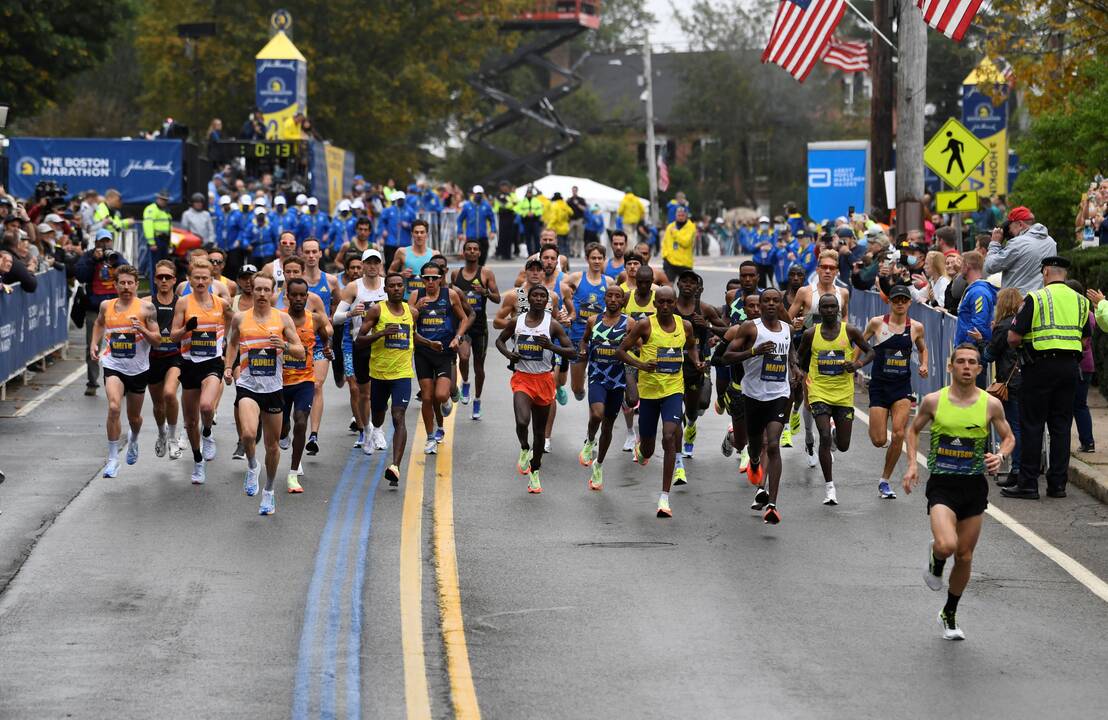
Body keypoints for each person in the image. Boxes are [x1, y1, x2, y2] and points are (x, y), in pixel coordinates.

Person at [903, 343, 1014, 641]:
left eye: (972, 362)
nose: (966, 366)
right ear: (950, 366)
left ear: (979, 369)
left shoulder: (990, 404)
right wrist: (913, 464)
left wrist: (1000, 456)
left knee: (964, 556)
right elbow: (912, 431)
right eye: (961, 362)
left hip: (974, 487)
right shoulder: (933, 401)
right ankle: (936, 558)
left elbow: (1008, 437)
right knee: (947, 544)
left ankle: (949, 612)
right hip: (942, 484)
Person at [1002, 256, 1091, 500]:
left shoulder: (1035, 298)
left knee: (1032, 424)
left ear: (1045, 272)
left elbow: (1013, 337)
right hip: (1070, 369)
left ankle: (1028, 484)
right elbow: (1084, 341)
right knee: (1061, 426)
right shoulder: (1082, 302)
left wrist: (1027, 347)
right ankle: (1057, 485)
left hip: (1039, 367)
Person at [618, 286, 704, 518]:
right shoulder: (645, 325)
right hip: (648, 393)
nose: (665, 306)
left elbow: (692, 345)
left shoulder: (684, 325)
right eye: (661, 302)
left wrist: (696, 361)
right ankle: (642, 448)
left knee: (669, 436)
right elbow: (622, 351)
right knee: (648, 449)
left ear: (674, 303)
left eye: (669, 302)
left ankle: (664, 497)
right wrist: (640, 365)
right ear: (655, 304)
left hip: (674, 390)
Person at [223, 272, 305, 515]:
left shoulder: (283, 320)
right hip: (248, 385)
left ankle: (268, 491)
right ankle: (251, 466)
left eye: (265, 290)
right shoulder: (240, 318)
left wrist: (285, 346)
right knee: (248, 434)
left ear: (272, 293)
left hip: (273, 389)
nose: (261, 293)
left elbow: (301, 351)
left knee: (272, 447)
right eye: (257, 289)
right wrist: (228, 367)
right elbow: (233, 344)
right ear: (252, 289)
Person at [721, 289, 799, 524]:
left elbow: (790, 352)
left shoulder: (787, 329)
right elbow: (726, 357)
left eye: (776, 301)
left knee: (772, 445)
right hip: (753, 395)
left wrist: (794, 367)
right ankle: (754, 462)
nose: (772, 304)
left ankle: (772, 504)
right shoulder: (750, 328)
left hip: (779, 394)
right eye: (767, 301)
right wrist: (753, 351)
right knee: (755, 446)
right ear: (761, 305)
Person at [495, 284, 577, 493]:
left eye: (543, 296)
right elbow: (499, 341)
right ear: (529, 299)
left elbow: (571, 352)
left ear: (547, 301)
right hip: (522, 378)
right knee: (522, 421)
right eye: (536, 296)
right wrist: (508, 355)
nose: (539, 299)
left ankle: (535, 471)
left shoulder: (553, 325)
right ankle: (524, 448)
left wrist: (551, 346)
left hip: (544, 380)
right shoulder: (517, 322)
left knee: (539, 433)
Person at [797, 294, 874, 505]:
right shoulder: (811, 334)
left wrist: (857, 365)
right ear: (819, 311)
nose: (830, 310)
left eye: (833, 307)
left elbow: (871, 352)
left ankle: (834, 434)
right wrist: (797, 372)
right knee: (823, 436)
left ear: (838, 309)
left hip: (843, 394)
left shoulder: (849, 331)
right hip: (819, 390)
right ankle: (829, 487)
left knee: (843, 445)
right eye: (826, 307)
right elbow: (798, 358)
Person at [88, 265, 161, 477]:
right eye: (122, 283)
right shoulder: (106, 306)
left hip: (138, 369)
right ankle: (112, 459)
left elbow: (157, 341)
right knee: (113, 407)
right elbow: (99, 324)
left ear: (137, 285)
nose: (126, 286)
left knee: (134, 418)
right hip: (114, 365)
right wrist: (94, 343)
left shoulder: (147, 309)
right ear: (116, 284)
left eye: (130, 283)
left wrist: (143, 329)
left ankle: (134, 439)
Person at [358, 273, 426, 486]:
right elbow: (359, 340)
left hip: (402, 374)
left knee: (398, 416)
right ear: (386, 289)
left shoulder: (412, 312)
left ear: (403, 289)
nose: (397, 289)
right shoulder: (377, 310)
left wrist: (429, 343)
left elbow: (412, 336)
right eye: (392, 286)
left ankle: (395, 466)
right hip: (379, 374)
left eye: (400, 286)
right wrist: (381, 334)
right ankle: (374, 429)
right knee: (378, 414)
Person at [170, 258, 233, 484]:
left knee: (206, 406)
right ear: (189, 279)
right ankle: (198, 461)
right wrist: (187, 328)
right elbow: (173, 335)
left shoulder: (221, 304)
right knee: (188, 422)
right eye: (196, 277)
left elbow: (237, 326)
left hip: (212, 362)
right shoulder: (183, 303)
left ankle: (207, 432)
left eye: (205, 278)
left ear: (211, 280)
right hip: (189, 363)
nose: (200, 281)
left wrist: (231, 348)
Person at [862, 285, 929, 498]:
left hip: (902, 387)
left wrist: (924, 364)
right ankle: (882, 445)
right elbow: (860, 342)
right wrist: (855, 363)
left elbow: (923, 348)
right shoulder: (876, 323)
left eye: (904, 300)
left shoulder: (916, 327)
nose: (900, 303)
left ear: (909, 303)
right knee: (879, 440)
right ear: (889, 302)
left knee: (899, 432)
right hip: (880, 386)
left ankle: (885, 480)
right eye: (896, 300)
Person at [411, 262, 471, 453]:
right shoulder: (415, 296)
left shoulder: (450, 295)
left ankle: (446, 402)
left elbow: (464, 318)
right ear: (421, 279)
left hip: (444, 352)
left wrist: (458, 337)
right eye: (426, 278)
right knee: (427, 397)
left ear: (440, 279)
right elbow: (407, 325)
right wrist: (416, 311)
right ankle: (430, 438)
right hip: (423, 353)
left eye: (434, 278)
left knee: (441, 394)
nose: (430, 282)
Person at [278, 277, 332, 492]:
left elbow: (324, 336)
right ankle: (284, 433)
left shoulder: (316, 319)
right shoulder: (279, 318)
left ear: (307, 296)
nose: (299, 299)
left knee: (301, 421)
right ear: (288, 297)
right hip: (280, 382)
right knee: (283, 427)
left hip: (304, 380)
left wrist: (326, 348)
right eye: (295, 295)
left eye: (303, 295)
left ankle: (293, 473)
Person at [576, 285, 629, 490]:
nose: (614, 299)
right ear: (604, 298)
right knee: (597, 415)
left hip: (618, 380)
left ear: (623, 301)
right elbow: (584, 341)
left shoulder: (629, 323)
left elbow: (638, 345)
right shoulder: (593, 320)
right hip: (597, 376)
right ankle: (590, 441)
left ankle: (599, 465)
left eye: (618, 296)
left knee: (608, 425)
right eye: (610, 295)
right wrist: (582, 350)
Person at [674, 272, 724, 463]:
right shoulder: (669, 307)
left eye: (692, 282)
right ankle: (678, 452)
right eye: (684, 281)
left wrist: (709, 326)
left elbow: (728, 331)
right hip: (673, 365)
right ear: (678, 283)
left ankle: (692, 424)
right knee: (674, 411)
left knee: (695, 408)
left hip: (698, 365)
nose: (688, 285)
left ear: (698, 288)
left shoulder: (705, 309)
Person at [451, 238, 501, 420]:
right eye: (468, 249)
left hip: (480, 327)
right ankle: (465, 381)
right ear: (464, 252)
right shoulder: (455, 274)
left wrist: (485, 292)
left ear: (479, 253)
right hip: (463, 325)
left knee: (479, 367)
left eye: (475, 249)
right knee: (463, 358)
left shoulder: (486, 273)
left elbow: (497, 299)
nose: (472, 251)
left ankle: (477, 400)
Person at [984, 287, 1026, 488]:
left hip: (1010, 383)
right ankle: (1026, 467)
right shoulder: (1023, 322)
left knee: (1013, 426)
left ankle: (1017, 469)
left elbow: (990, 354)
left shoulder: (1003, 326)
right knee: (1027, 425)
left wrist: (984, 341)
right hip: (1027, 378)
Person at [147, 260, 184, 461]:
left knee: (170, 393)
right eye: (160, 277)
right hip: (152, 358)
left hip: (174, 357)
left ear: (174, 280)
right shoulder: (147, 303)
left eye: (167, 277)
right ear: (155, 279)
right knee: (158, 404)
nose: (163, 280)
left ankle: (172, 438)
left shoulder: (181, 303)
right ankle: (162, 433)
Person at [563, 243, 611, 401]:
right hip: (578, 337)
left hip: (601, 339)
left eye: (600, 258)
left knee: (600, 385)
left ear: (604, 260)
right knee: (576, 389)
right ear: (587, 259)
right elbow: (562, 287)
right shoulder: (577, 278)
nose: (596, 261)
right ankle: (580, 382)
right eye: (593, 258)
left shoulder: (609, 282)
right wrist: (569, 308)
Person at [983, 206, 1056, 294]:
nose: (1010, 233)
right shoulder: (1050, 241)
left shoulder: (1018, 243)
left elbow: (990, 266)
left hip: (1020, 301)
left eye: (1010, 228)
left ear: (1020, 225)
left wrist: (995, 243)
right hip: (1043, 299)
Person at [953, 251, 996, 390]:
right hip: (969, 351)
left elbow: (979, 324)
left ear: (968, 266)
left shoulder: (979, 292)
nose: (959, 268)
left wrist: (967, 347)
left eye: (961, 263)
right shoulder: (973, 289)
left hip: (972, 353)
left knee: (973, 394)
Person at [389, 219, 436, 300]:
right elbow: (390, 272)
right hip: (406, 299)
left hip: (428, 299)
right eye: (416, 232)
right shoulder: (402, 252)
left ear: (426, 234)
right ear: (412, 234)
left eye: (422, 232)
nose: (419, 235)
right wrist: (401, 274)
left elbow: (440, 278)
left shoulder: (434, 254)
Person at [457, 186, 497, 265]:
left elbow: (492, 220)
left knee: (481, 262)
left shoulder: (486, 206)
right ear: (473, 194)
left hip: (483, 237)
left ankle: (481, 276)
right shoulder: (467, 206)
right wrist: (460, 232)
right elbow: (459, 220)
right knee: (470, 263)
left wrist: (493, 231)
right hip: (471, 238)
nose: (478, 195)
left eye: (480, 193)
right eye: (477, 193)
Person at [661, 206, 696, 282]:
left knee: (686, 287)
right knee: (668, 287)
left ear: (686, 215)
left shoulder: (691, 227)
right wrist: (665, 255)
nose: (680, 217)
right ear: (675, 215)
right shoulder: (670, 226)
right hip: (670, 261)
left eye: (682, 215)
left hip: (684, 263)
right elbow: (664, 242)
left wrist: (675, 233)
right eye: (678, 215)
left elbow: (686, 242)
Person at [143, 191, 173, 268]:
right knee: (155, 266)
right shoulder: (151, 209)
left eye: (166, 200)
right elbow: (148, 226)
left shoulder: (166, 211)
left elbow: (169, 228)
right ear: (157, 199)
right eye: (162, 199)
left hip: (165, 241)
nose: (164, 201)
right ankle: (153, 280)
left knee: (164, 265)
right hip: (156, 240)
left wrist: (170, 243)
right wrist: (152, 243)